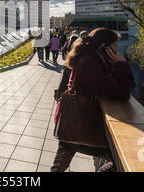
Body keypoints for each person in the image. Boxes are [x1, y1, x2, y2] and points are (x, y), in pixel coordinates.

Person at [51, 28, 134, 172]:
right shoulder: (90, 63)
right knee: (122, 161)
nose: (117, 50)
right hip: (83, 124)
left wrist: (117, 65)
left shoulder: (91, 58)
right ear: (104, 47)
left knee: (57, 167)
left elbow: (127, 87)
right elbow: (122, 92)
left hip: (72, 123)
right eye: (115, 46)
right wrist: (122, 63)